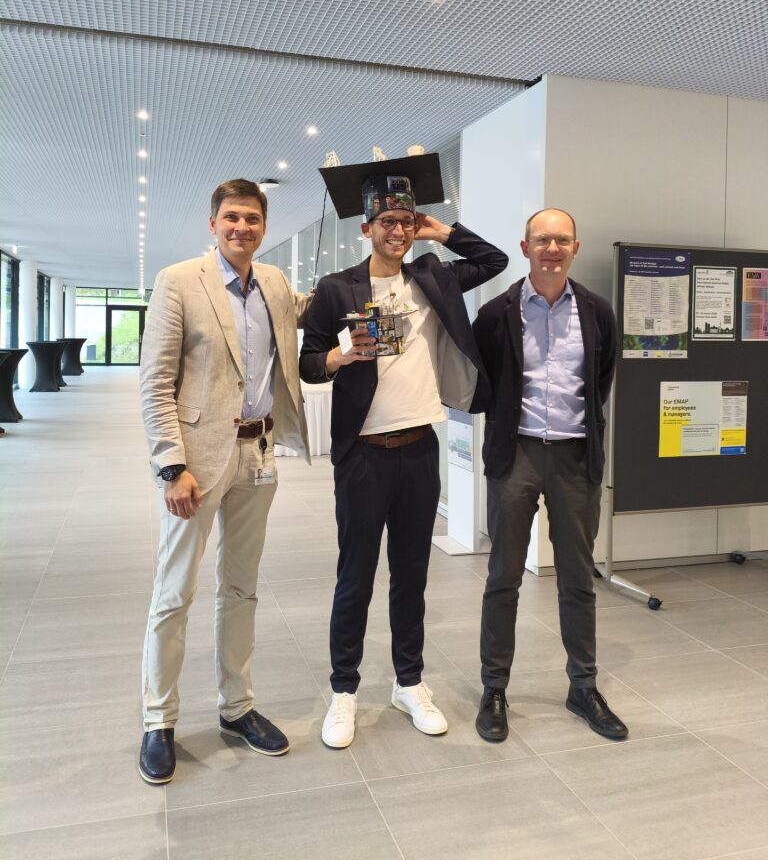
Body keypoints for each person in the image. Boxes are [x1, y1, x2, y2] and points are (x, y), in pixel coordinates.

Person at [300, 153, 507, 748]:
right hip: (363, 455)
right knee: (355, 575)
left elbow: (493, 259)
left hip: (419, 450)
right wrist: (340, 356)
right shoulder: (337, 288)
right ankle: (343, 691)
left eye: (405, 220)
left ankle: (409, 682)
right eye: (386, 221)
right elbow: (309, 363)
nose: (396, 231)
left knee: (411, 575)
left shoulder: (434, 278)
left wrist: (440, 230)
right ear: (365, 228)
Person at [138, 179, 310, 784]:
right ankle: (158, 719)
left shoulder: (276, 286)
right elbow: (155, 382)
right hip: (197, 462)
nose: (243, 228)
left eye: (253, 219)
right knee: (174, 592)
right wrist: (170, 465)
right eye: (232, 218)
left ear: (264, 227)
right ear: (212, 224)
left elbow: (313, 316)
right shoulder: (179, 281)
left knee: (241, 588)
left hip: (258, 456)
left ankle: (236, 708)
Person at [473, 208, 628, 742]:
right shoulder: (497, 313)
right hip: (515, 455)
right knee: (504, 579)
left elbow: (601, 378)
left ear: (575, 248)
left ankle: (582, 686)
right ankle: (494, 689)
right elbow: (483, 382)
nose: (552, 248)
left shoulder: (598, 311)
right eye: (543, 239)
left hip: (574, 459)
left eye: (562, 239)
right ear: (525, 247)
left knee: (578, 580)